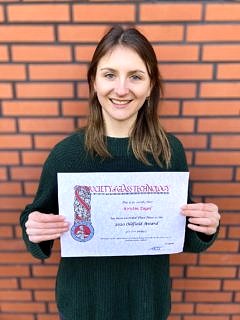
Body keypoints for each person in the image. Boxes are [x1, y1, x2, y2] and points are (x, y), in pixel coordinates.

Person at [20, 25, 220, 320]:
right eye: (110, 74)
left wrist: (205, 226)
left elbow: (183, 233)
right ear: (93, 82)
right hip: (83, 308)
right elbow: (36, 220)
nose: (122, 89)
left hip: (147, 306)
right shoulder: (67, 154)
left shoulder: (169, 152)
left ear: (151, 86)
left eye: (136, 77)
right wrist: (33, 228)